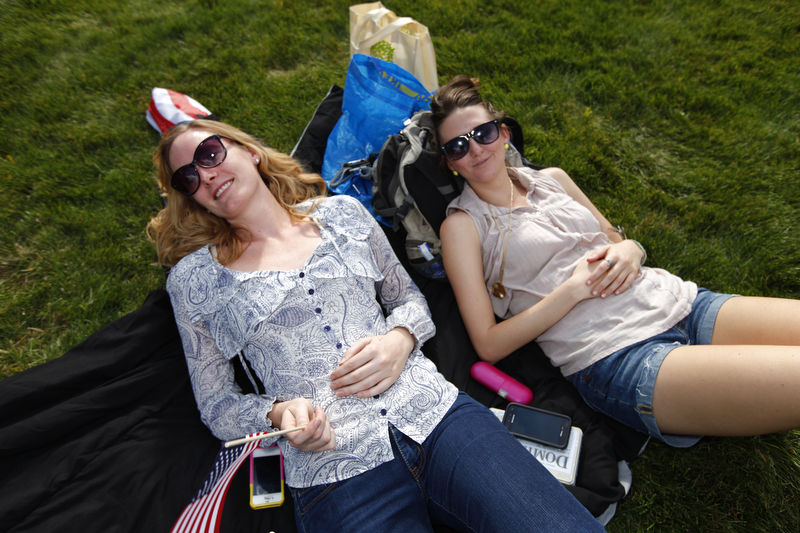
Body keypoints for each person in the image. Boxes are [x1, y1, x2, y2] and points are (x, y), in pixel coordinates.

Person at [146, 119, 604, 533]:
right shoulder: (193, 281)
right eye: (188, 177)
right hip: (334, 469)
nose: (205, 175)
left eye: (209, 154)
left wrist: (399, 340)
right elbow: (216, 405)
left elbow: (408, 300)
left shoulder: (343, 213)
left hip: (435, 417)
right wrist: (278, 414)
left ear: (249, 152)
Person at [432, 75, 800, 448]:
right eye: (458, 146)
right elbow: (488, 344)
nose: (475, 149)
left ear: (504, 134)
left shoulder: (553, 179)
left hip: (674, 300)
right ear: (450, 163)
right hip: (616, 353)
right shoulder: (462, 227)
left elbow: (611, 236)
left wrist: (632, 249)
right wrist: (574, 290)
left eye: (483, 133)